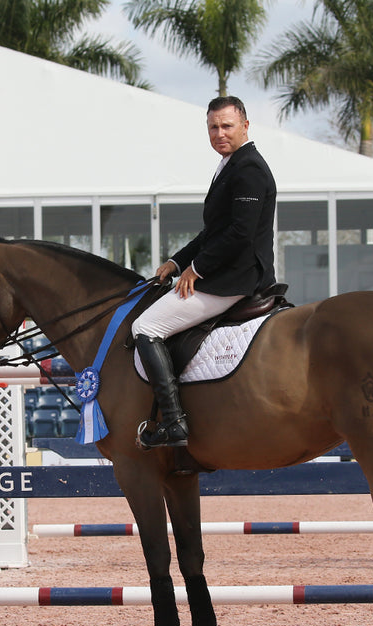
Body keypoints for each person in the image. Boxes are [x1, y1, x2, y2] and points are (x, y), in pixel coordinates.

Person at [130, 95, 277, 449]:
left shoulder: (249, 168)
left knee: (145, 327)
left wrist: (197, 268)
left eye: (227, 125)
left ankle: (175, 422)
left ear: (245, 125)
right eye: (213, 127)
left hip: (234, 278)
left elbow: (240, 234)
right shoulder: (230, 164)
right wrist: (178, 262)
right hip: (223, 271)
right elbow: (212, 231)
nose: (220, 133)